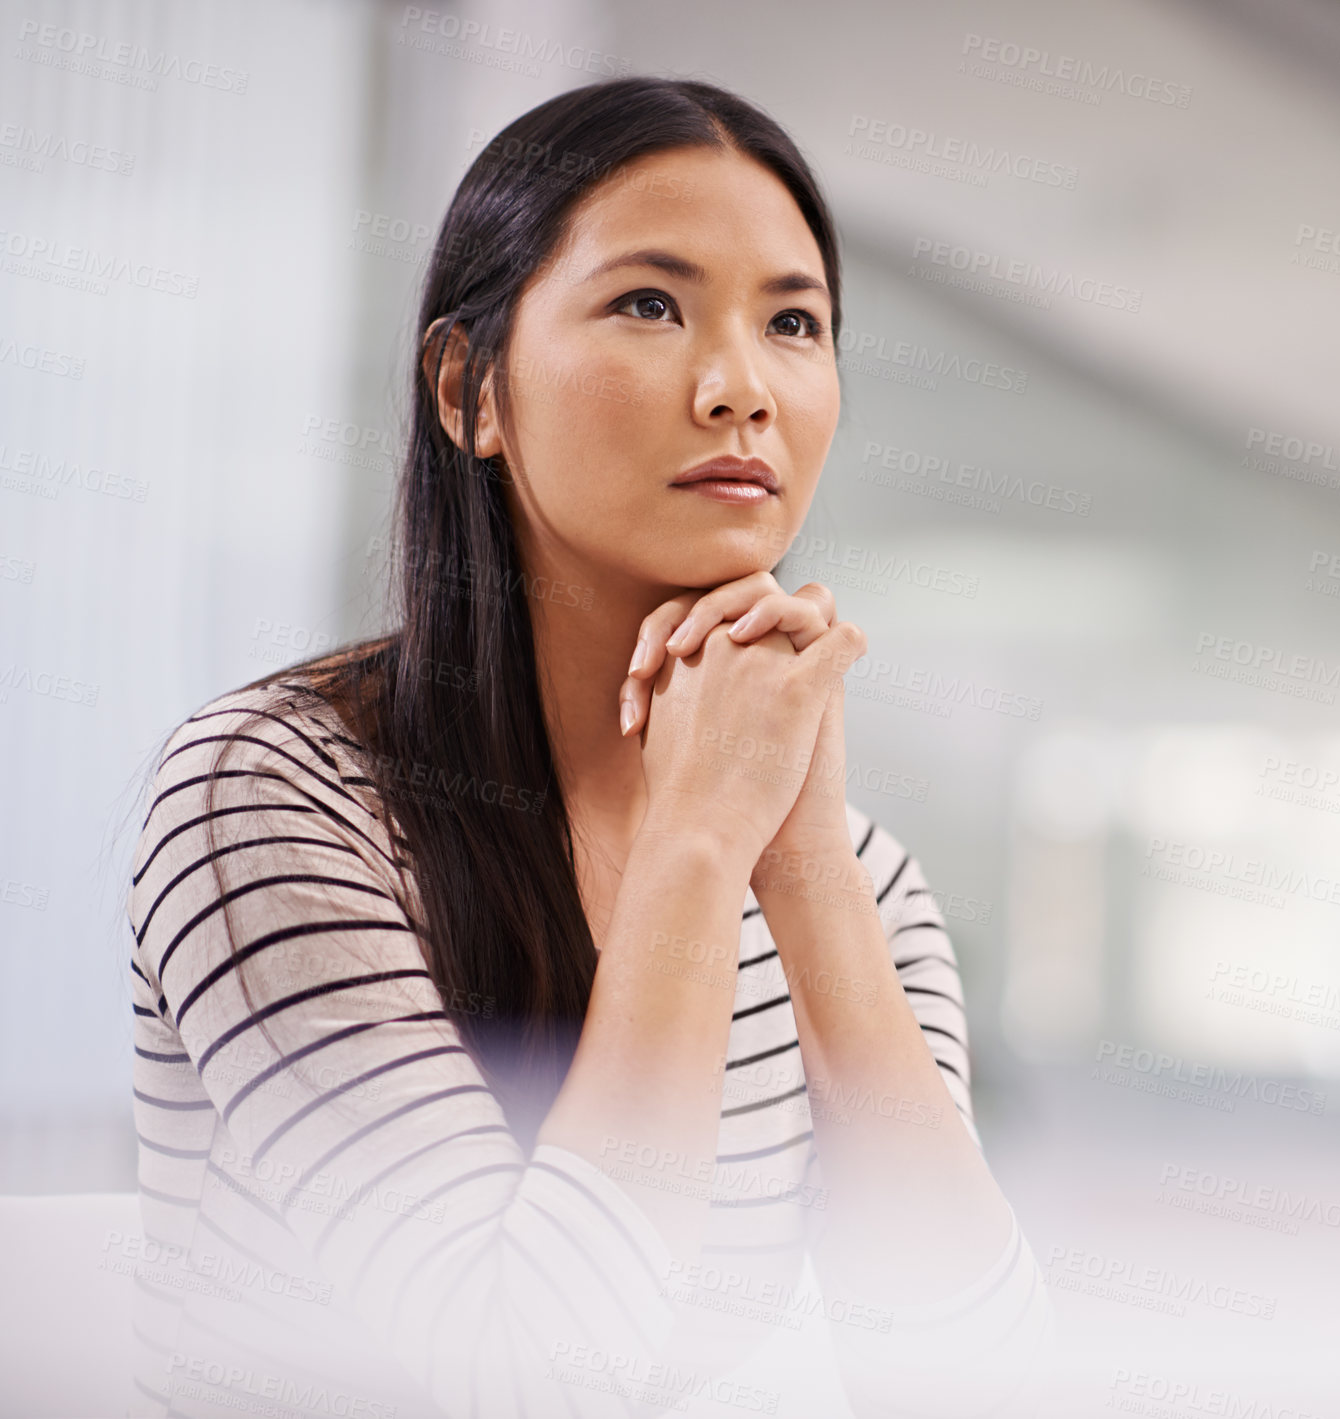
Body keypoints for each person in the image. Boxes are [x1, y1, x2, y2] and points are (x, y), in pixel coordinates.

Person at [125, 76, 1048, 1418]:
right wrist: (695, 842)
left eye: (794, 322)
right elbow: (522, 1378)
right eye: (649, 304)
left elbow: (977, 1390)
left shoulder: (859, 882)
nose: (741, 388)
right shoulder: (270, 798)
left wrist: (801, 873)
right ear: (467, 388)